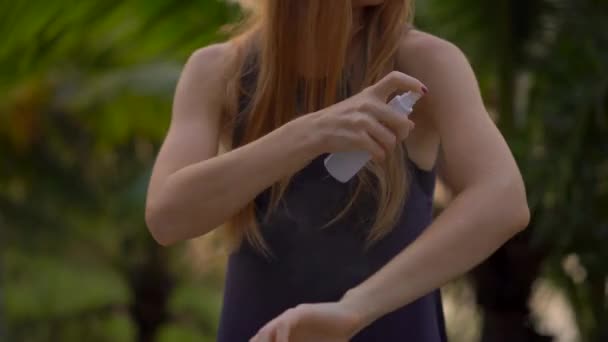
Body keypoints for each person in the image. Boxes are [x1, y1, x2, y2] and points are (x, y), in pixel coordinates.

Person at [144, 0, 530, 341]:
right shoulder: (218, 70)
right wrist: (310, 133)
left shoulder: (425, 62)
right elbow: (168, 218)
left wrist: (354, 309)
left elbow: (503, 198)